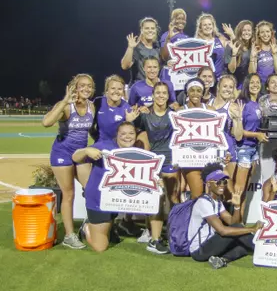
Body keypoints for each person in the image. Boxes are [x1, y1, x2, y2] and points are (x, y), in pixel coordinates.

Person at [42, 74, 95, 249]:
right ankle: (69, 235)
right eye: (82, 86)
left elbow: (92, 131)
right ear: (75, 87)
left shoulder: (91, 107)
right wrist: (65, 101)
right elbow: (46, 122)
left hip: (80, 153)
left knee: (92, 189)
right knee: (69, 193)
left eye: (89, 86)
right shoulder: (66, 106)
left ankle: (91, 224)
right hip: (62, 152)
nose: (86, 89)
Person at [74, 122, 138, 252]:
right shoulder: (104, 146)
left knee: (108, 231)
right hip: (98, 199)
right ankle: (86, 227)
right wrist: (86, 150)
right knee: (100, 247)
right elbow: (76, 158)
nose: (127, 137)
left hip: (114, 199)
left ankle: (109, 227)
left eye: (131, 133)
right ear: (117, 135)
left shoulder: (135, 151)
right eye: (123, 134)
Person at [189, 162, 262, 269]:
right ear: (209, 183)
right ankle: (263, 250)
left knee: (242, 246)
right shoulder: (203, 202)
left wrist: (237, 206)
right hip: (199, 250)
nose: (222, 184)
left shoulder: (217, 201)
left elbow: (232, 222)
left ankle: (222, 260)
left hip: (211, 243)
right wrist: (252, 229)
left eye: (224, 181)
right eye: (218, 182)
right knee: (238, 231)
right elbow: (222, 230)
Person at [135, 81, 179, 253]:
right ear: (152, 95)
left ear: (168, 96)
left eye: (164, 93)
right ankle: (154, 239)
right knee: (156, 200)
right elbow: (129, 132)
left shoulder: (174, 114)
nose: (161, 95)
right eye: (158, 93)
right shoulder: (145, 115)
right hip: (152, 163)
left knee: (172, 199)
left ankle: (170, 234)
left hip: (171, 161)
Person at [177, 78, 217, 199]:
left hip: (209, 156)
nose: (195, 93)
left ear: (202, 93)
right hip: (191, 158)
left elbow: (217, 135)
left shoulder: (210, 110)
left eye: (198, 90)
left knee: (213, 195)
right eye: (192, 90)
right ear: (187, 93)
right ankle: (195, 217)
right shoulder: (180, 111)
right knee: (197, 194)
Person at [234, 74, 267, 216]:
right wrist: (257, 135)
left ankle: (241, 220)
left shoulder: (260, 103)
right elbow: (236, 131)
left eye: (258, 82)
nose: (255, 85)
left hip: (255, 149)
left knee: (246, 187)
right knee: (239, 189)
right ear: (246, 84)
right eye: (252, 82)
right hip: (243, 148)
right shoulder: (242, 103)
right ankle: (234, 221)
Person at [207, 75, 244, 179]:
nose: (227, 89)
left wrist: (238, 119)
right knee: (210, 185)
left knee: (227, 187)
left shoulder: (233, 107)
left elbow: (238, 137)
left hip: (227, 151)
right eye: (225, 86)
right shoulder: (207, 105)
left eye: (231, 87)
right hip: (209, 150)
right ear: (218, 87)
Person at [90, 75, 139, 142]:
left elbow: (130, 136)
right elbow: (90, 125)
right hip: (100, 144)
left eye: (119, 89)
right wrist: (96, 138)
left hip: (117, 146)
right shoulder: (98, 102)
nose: (116, 91)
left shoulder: (127, 108)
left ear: (123, 92)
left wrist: (128, 122)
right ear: (107, 90)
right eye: (113, 88)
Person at [121, 17, 160, 85]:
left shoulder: (157, 48)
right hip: (138, 87)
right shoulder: (136, 48)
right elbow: (124, 66)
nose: (150, 30)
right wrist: (130, 48)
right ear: (141, 30)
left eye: (152, 28)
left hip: (153, 88)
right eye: (147, 28)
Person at [249, 21, 277, 91]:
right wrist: (252, 57)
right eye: (262, 32)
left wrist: (274, 54)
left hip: (274, 87)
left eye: (267, 31)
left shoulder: (276, 48)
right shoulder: (256, 49)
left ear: (271, 33)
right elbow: (252, 73)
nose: (265, 34)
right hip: (260, 87)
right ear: (258, 34)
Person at [194, 13, 228, 79]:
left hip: (220, 79)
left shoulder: (221, 40)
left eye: (209, 24)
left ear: (213, 26)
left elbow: (235, 49)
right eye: (204, 25)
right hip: (205, 79)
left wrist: (232, 35)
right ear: (200, 28)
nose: (207, 27)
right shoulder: (196, 43)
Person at [223, 20, 254, 91]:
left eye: (249, 30)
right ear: (239, 31)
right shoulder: (231, 46)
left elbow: (252, 72)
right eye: (244, 30)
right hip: (232, 83)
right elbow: (231, 70)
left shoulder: (252, 47)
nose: (247, 32)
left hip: (245, 83)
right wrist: (234, 54)